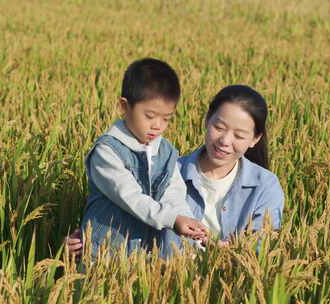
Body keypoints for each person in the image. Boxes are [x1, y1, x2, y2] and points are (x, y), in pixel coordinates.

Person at [68, 84, 284, 257]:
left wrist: (227, 250)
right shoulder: (167, 170)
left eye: (239, 135)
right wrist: (91, 237)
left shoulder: (265, 185)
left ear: (255, 139)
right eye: (219, 128)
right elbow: (132, 209)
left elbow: (263, 244)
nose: (225, 141)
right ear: (206, 121)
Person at [79, 58, 207, 259]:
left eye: (166, 118)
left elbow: (174, 193)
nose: (157, 125)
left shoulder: (165, 151)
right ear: (124, 106)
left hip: (146, 255)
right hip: (106, 252)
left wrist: (189, 222)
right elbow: (131, 197)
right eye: (149, 116)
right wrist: (173, 219)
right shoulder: (107, 152)